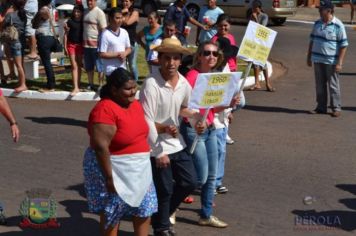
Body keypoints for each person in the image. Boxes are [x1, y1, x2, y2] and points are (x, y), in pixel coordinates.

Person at [83, 67, 157, 236]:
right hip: (114, 168)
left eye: (134, 87)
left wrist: (165, 128)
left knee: (145, 208)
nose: (133, 92)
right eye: (128, 89)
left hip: (139, 169)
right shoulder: (104, 110)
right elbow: (101, 147)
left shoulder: (135, 105)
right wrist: (109, 178)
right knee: (113, 211)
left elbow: (137, 130)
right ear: (114, 90)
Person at [140, 37, 199, 236]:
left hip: (176, 142)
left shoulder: (183, 82)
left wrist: (198, 119)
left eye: (175, 58)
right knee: (164, 189)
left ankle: (160, 217)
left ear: (180, 61)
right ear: (159, 58)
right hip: (155, 144)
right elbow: (145, 120)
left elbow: (185, 108)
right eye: (167, 58)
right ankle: (162, 228)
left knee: (190, 181)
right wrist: (157, 152)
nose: (171, 63)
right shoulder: (151, 84)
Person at [180, 41, 239, 228]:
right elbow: (182, 107)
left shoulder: (213, 76)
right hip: (193, 129)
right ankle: (171, 206)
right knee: (200, 178)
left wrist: (229, 103)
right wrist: (198, 118)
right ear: (199, 56)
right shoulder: (192, 75)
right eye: (206, 53)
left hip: (211, 129)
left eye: (214, 53)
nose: (211, 57)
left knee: (212, 177)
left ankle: (206, 215)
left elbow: (212, 107)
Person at [307, 0, 348, 117]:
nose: (319, 11)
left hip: (331, 61)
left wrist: (340, 63)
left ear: (329, 11)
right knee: (319, 85)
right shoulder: (317, 24)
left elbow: (344, 45)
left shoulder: (338, 25)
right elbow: (312, 40)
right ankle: (321, 107)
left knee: (333, 85)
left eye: (321, 9)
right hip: (317, 60)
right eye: (319, 9)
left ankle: (336, 108)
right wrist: (309, 57)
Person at [249, 0, 275, 92]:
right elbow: (251, 28)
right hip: (255, 41)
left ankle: (268, 83)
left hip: (263, 43)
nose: (252, 9)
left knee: (262, 63)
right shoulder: (251, 16)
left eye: (254, 7)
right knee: (255, 63)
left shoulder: (264, 16)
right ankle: (257, 83)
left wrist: (255, 19)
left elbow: (262, 28)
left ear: (258, 8)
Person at [2, 0, 27, 93]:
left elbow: (4, 23)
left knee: (18, 65)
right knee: (21, 64)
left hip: (15, 41)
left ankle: (23, 85)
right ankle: (21, 82)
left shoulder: (11, 15)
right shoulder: (23, 14)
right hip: (22, 40)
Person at [32, 0, 57, 92]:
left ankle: (51, 85)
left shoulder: (43, 10)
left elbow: (34, 24)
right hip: (50, 37)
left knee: (46, 63)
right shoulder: (51, 8)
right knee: (47, 63)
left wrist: (35, 17)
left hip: (44, 38)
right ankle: (51, 83)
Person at [98, 7, 131, 76]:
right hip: (110, 71)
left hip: (123, 69)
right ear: (110, 18)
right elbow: (102, 54)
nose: (120, 20)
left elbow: (129, 48)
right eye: (117, 18)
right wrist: (118, 54)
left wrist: (125, 53)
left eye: (121, 18)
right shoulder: (105, 34)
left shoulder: (124, 32)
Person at [83, 0, 107, 90]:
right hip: (86, 44)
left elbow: (104, 30)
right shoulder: (85, 12)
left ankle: (100, 84)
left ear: (95, 1)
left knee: (99, 66)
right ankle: (91, 84)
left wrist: (102, 44)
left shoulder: (99, 13)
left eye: (91, 1)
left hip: (96, 45)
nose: (89, 2)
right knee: (89, 66)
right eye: (88, 1)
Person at [64, 4, 84, 96]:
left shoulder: (83, 22)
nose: (76, 13)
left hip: (80, 45)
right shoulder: (69, 21)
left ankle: (78, 85)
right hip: (71, 45)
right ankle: (75, 87)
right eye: (75, 11)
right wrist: (64, 46)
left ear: (81, 12)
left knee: (79, 65)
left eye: (78, 12)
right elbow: (66, 34)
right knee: (74, 65)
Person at [121, 0, 139, 81]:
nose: (125, 3)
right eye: (124, 1)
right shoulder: (121, 12)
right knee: (123, 65)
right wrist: (122, 12)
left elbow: (127, 23)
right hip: (122, 43)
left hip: (132, 42)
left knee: (132, 65)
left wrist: (121, 18)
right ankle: (125, 82)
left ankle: (135, 82)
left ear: (131, 2)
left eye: (127, 1)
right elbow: (113, 21)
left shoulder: (135, 12)